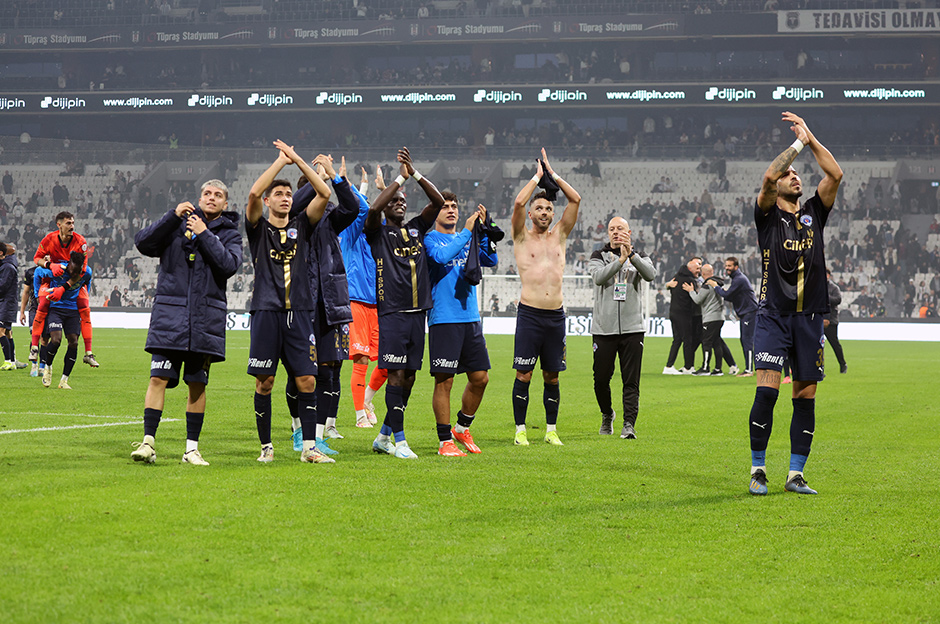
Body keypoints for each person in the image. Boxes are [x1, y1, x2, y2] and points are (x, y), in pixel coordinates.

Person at [747, 111, 843, 496]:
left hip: (809, 318)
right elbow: (769, 177)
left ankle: (795, 475)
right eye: (790, 174)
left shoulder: (814, 212)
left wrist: (812, 137)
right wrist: (798, 143)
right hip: (773, 316)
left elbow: (835, 175)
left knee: (805, 397)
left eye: (797, 174)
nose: (795, 176)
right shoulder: (767, 216)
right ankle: (757, 470)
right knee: (767, 393)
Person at [129, 180, 242, 466]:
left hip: (204, 319)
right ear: (199, 198)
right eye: (207, 194)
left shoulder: (230, 234)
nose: (211, 198)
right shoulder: (177, 224)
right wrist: (171, 216)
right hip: (171, 316)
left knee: (197, 384)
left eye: (218, 195)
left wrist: (204, 234)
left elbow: (228, 266)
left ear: (225, 203)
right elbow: (143, 242)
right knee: (157, 378)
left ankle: (191, 449)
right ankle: (147, 443)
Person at [245, 140, 332, 465]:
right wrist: (281, 163)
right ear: (269, 201)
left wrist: (297, 158)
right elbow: (253, 193)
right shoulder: (258, 228)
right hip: (266, 313)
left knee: (307, 380)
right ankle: (266, 447)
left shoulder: (302, 226)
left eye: (288, 194)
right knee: (265, 382)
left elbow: (324, 193)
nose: (284, 198)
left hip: (300, 314)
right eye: (278, 194)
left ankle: (309, 448)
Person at [364, 147, 445, 459]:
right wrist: (398, 180)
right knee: (396, 375)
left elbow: (438, 202)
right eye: (394, 201)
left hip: (417, 314)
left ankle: (384, 435)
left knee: (409, 377)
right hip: (393, 314)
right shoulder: (377, 232)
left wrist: (415, 174)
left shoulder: (416, 228)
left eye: (403, 201)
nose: (400, 203)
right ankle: (400, 442)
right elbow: (373, 208)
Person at [283, 155, 360, 457]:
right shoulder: (291, 217)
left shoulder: (330, 218)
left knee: (327, 370)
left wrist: (336, 178)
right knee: (300, 372)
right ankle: (297, 429)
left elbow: (352, 208)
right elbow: (295, 203)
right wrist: (320, 179)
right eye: (314, 187)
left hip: (329, 301)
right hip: (300, 301)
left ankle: (316, 437)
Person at [510, 148, 581, 446]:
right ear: (531, 214)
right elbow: (518, 202)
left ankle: (551, 430)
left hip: (556, 317)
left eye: (549, 209)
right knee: (524, 374)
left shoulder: (560, 235)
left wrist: (553, 174)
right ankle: (520, 430)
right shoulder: (521, 236)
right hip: (530, 315)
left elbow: (575, 200)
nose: (544, 212)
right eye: (539, 208)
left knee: (552, 376)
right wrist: (537, 177)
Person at [425, 192, 498, 456]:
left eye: (454, 206)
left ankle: (461, 427)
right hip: (444, 318)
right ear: (436, 212)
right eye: (445, 206)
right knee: (444, 382)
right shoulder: (430, 239)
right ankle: (445, 441)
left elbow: (491, 260)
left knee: (480, 378)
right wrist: (467, 233)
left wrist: (484, 232)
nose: (451, 210)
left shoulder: (467, 238)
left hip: (471, 318)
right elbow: (441, 258)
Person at [589, 216, 656, 438]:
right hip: (603, 329)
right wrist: (620, 261)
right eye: (612, 229)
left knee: (631, 380)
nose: (616, 232)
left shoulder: (640, 255)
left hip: (632, 329)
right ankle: (607, 414)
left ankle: (629, 424)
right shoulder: (598, 255)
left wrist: (631, 256)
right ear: (608, 233)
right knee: (600, 379)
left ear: (629, 232)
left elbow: (650, 275)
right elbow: (598, 278)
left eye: (620, 228)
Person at [341, 165, 388, 429]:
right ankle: (360, 415)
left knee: (387, 361)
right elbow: (363, 211)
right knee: (360, 359)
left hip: (379, 305)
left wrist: (383, 190)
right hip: (356, 302)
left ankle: (367, 399)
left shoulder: (378, 237)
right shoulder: (349, 234)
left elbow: (381, 214)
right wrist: (354, 187)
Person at [31, 211, 98, 368]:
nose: (72, 226)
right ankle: (34, 348)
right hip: (55, 277)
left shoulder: (80, 242)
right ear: (59, 225)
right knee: (42, 305)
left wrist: (64, 288)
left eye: (73, 223)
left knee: (85, 310)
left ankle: (88, 353)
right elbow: (36, 259)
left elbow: (82, 271)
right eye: (68, 223)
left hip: (73, 281)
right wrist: (50, 265)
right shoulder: (49, 239)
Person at [32, 251, 91, 388]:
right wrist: (37, 295)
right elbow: (38, 272)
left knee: (74, 343)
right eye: (72, 271)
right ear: (68, 264)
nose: (74, 274)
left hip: (73, 310)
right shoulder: (58, 269)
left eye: (77, 272)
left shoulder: (86, 272)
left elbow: (87, 281)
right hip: (56, 309)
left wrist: (85, 296)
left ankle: (64, 380)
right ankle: (48, 367)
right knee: (56, 340)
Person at [713, 256, 758, 376]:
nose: (727, 268)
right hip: (746, 312)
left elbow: (727, 295)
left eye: (729, 266)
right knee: (745, 340)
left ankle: (749, 370)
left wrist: (715, 286)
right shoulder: (737, 278)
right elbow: (732, 296)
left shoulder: (739, 279)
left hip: (749, 312)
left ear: (736, 267)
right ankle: (750, 368)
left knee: (747, 340)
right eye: (726, 265)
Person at [662, 256, 702, 375]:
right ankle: (688, 367)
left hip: (673, 313)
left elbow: (671, 288)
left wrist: (667, 285)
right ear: (690, 269)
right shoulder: (690, 281)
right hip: (684, 314)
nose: (699, 270)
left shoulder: (676, 278)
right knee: (687, 340)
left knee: (677, 339)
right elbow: (694, 300)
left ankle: (669, 366)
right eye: (697, 268)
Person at [684, 263, 726, 376]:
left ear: (703, 274)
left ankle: (705, 368)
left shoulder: (706, 285)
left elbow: (697, 300)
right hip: (720, 317)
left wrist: (691, 291)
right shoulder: (718, 283)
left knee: (706, 343)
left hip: (710, 318)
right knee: (716, 343)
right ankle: (718, 369)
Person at [19, 259, 48, 377]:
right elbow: (26, 292)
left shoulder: (54, 272)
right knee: (35, 336)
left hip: (48, 310)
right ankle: (34, 365)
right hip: (34, 309)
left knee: (45, 339)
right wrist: (22, 312)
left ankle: (42, 366)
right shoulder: (31, 272)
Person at [0, 241, 22, 370]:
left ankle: (8, 361)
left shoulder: (7, 267)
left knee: (0, 331)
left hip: (6, 303)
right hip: (7, 302)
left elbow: (2, 286)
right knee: (8, 332)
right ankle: (12, 362)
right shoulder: (8, 265)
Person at [824, 269, 847, 374]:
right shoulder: (816, 286)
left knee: (834, 344)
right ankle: (818, 368)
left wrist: (825, 298)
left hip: (831, 320)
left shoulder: (834, 288)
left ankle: (842, 364)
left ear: (829, 276)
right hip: (818, 319)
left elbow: (838, 300)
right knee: (816, 346)